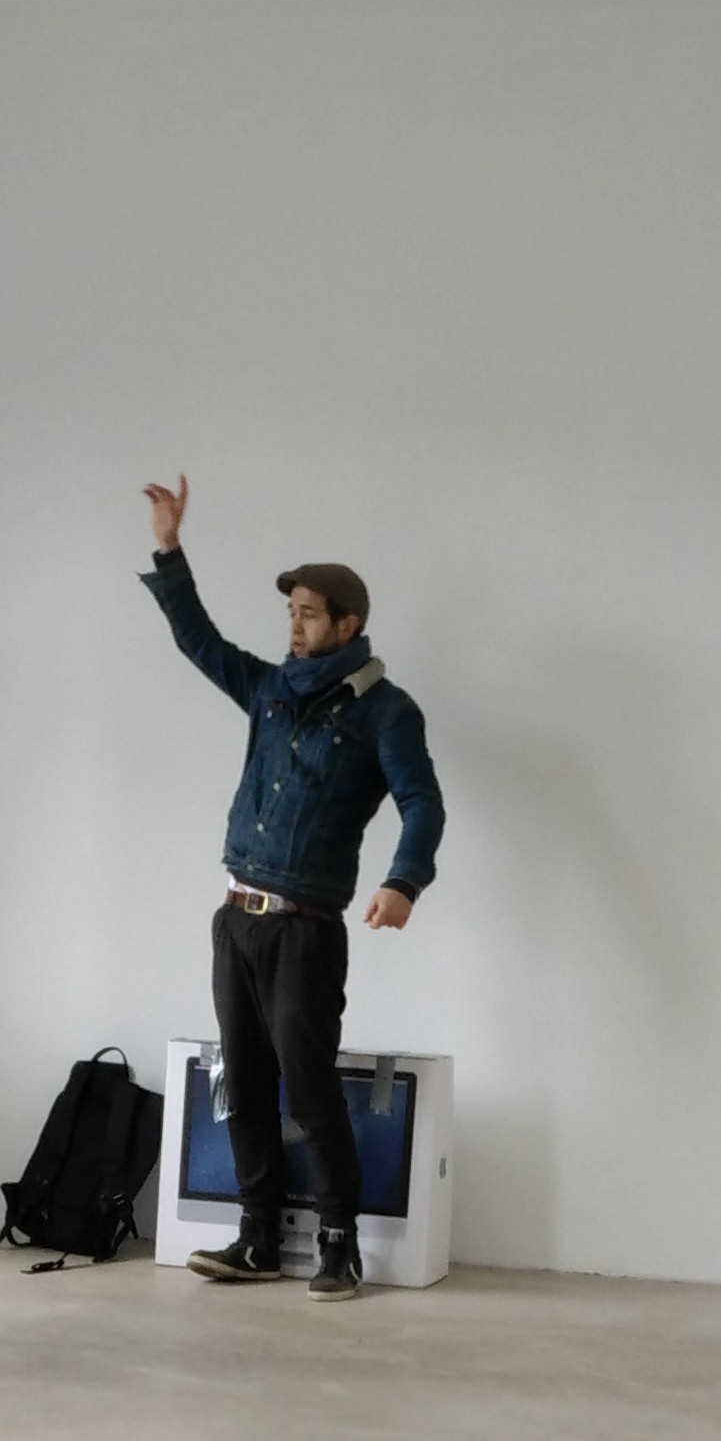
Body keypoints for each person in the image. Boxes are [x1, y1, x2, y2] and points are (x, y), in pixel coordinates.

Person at [139, 475, 444, 1297]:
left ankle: (339, 1246)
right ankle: (257, 1238)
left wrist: (403, 883)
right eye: (290, 613)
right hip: (236, 919)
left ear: (349, 624)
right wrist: (169, 549)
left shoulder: (387, 712)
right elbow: (200, 642)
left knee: (310, 1089)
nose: (295, 625)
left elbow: (423, 804)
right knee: (242, 1084)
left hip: (305, 929)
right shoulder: (271, 689)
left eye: (309, 614)